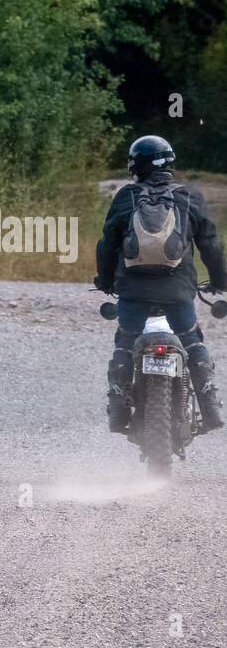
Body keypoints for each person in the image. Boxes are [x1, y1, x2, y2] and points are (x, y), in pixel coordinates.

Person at [96, 135, 227, 432]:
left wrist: (105, 281)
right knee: (192, 341)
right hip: (178, 291)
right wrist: (220, 280)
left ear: (136, 166)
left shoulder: (126, 196)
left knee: (125, 342)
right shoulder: (189, 195)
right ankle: (209, 405)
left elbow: (107, 244)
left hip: (133, 291)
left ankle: (118, 408)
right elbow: (210, 244)